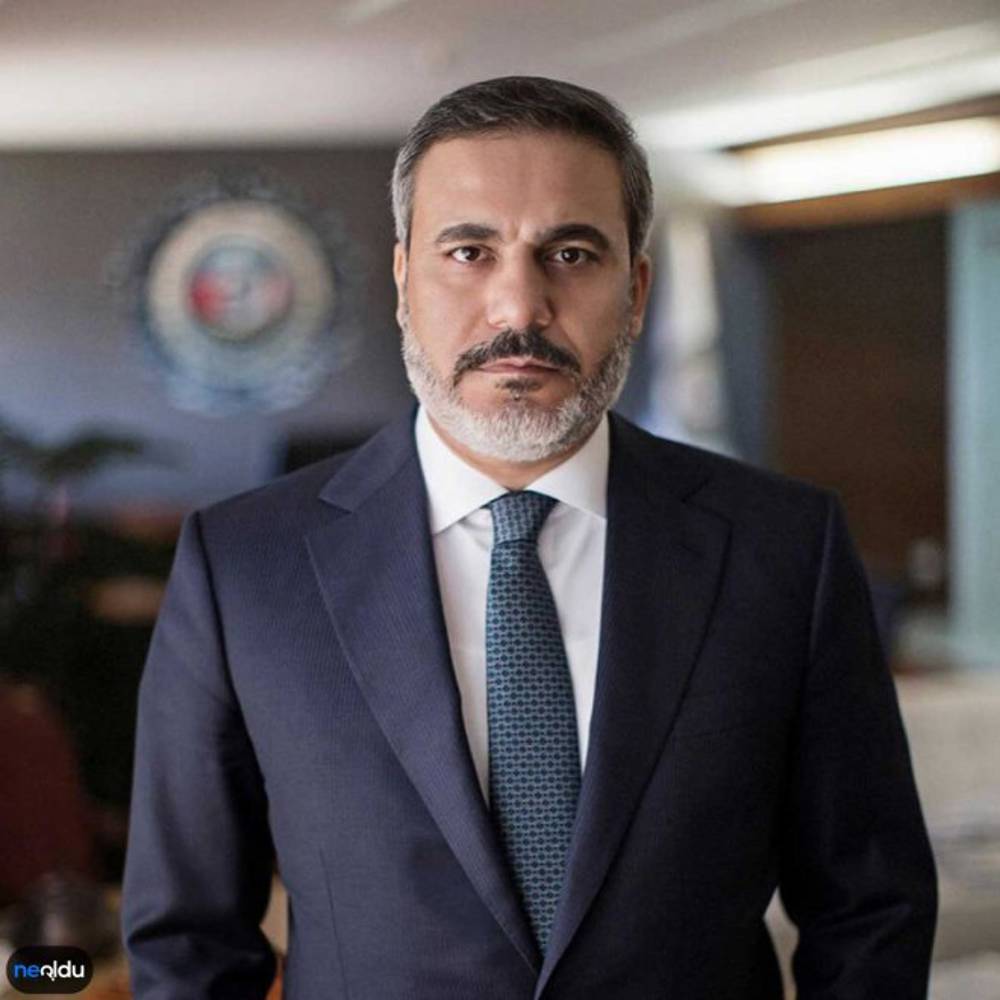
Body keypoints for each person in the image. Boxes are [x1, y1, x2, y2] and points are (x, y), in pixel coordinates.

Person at [121, 76, 937, 999]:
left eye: (572, 253)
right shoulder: (243, 567)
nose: (518, 308)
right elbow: (186, 942)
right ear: (403, 282)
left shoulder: (784, 548)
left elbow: (871, 911)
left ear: (636, 289)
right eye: (470, 251)